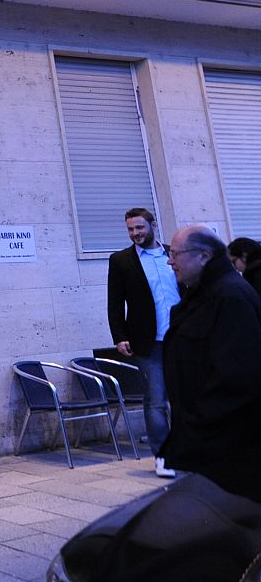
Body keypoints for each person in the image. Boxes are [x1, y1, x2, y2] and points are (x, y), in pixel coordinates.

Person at [160, 225, 261, 502]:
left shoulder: (229, 296)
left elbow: (239, 375)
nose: (170, 261)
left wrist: (197, 423)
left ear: (204, 256)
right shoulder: (204, 293)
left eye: (176, 254)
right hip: (207, 440)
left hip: (223, 444)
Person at [107, 208, 180, 478]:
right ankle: (163, 456)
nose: (135, 233)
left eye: (139, 227)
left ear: (153, 224)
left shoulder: (173, 254)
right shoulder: (121, 261)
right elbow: (115, 302)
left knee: (185, 399)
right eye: (130, 229)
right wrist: (119, 336)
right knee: (156, 400)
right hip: (149, 342)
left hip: (182, 339)